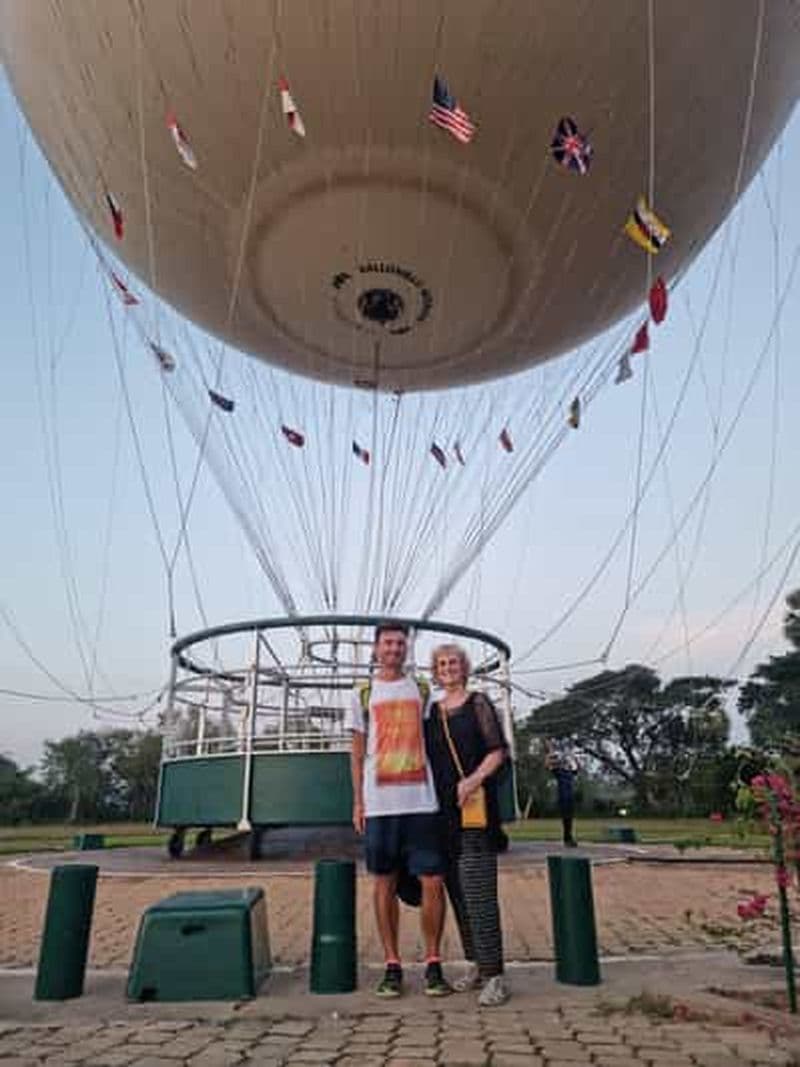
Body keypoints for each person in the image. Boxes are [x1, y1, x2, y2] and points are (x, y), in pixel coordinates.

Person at [346, 622, 452, 998]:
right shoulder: (361, 693)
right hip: (380, 805)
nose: (394, 648)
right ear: (376, 649)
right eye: (388, 643)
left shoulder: (421, 690)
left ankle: (433, 962)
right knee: (384, 882)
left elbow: (437, 740)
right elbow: (357, 752)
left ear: (407, 649)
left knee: (433, 880)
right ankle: (392, 965)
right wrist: (358, 801)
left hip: (422, 801)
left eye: (400, 643)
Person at [426, 643, 510, 1007]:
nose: (448, 668)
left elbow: (497, 750)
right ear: (435, 671)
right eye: (442, 664)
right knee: (458, 893)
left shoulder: (478, 703)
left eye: (454, 662)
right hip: (442, 813)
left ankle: (496, 976)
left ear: (464, 667)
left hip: (474, 810)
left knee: (479, 892)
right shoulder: (432, 712)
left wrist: (473, 780)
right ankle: (476, 963)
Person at [545, 740, 579, 847]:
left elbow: (576, 767)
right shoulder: (557, 766)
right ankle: (567, 838)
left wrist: (573, 759)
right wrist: (550, 752)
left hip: (569, 791)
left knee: (569, 815)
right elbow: (548, 765)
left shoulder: (569, 768)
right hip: (564, 793)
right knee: (566, 814)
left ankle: (568, 837)